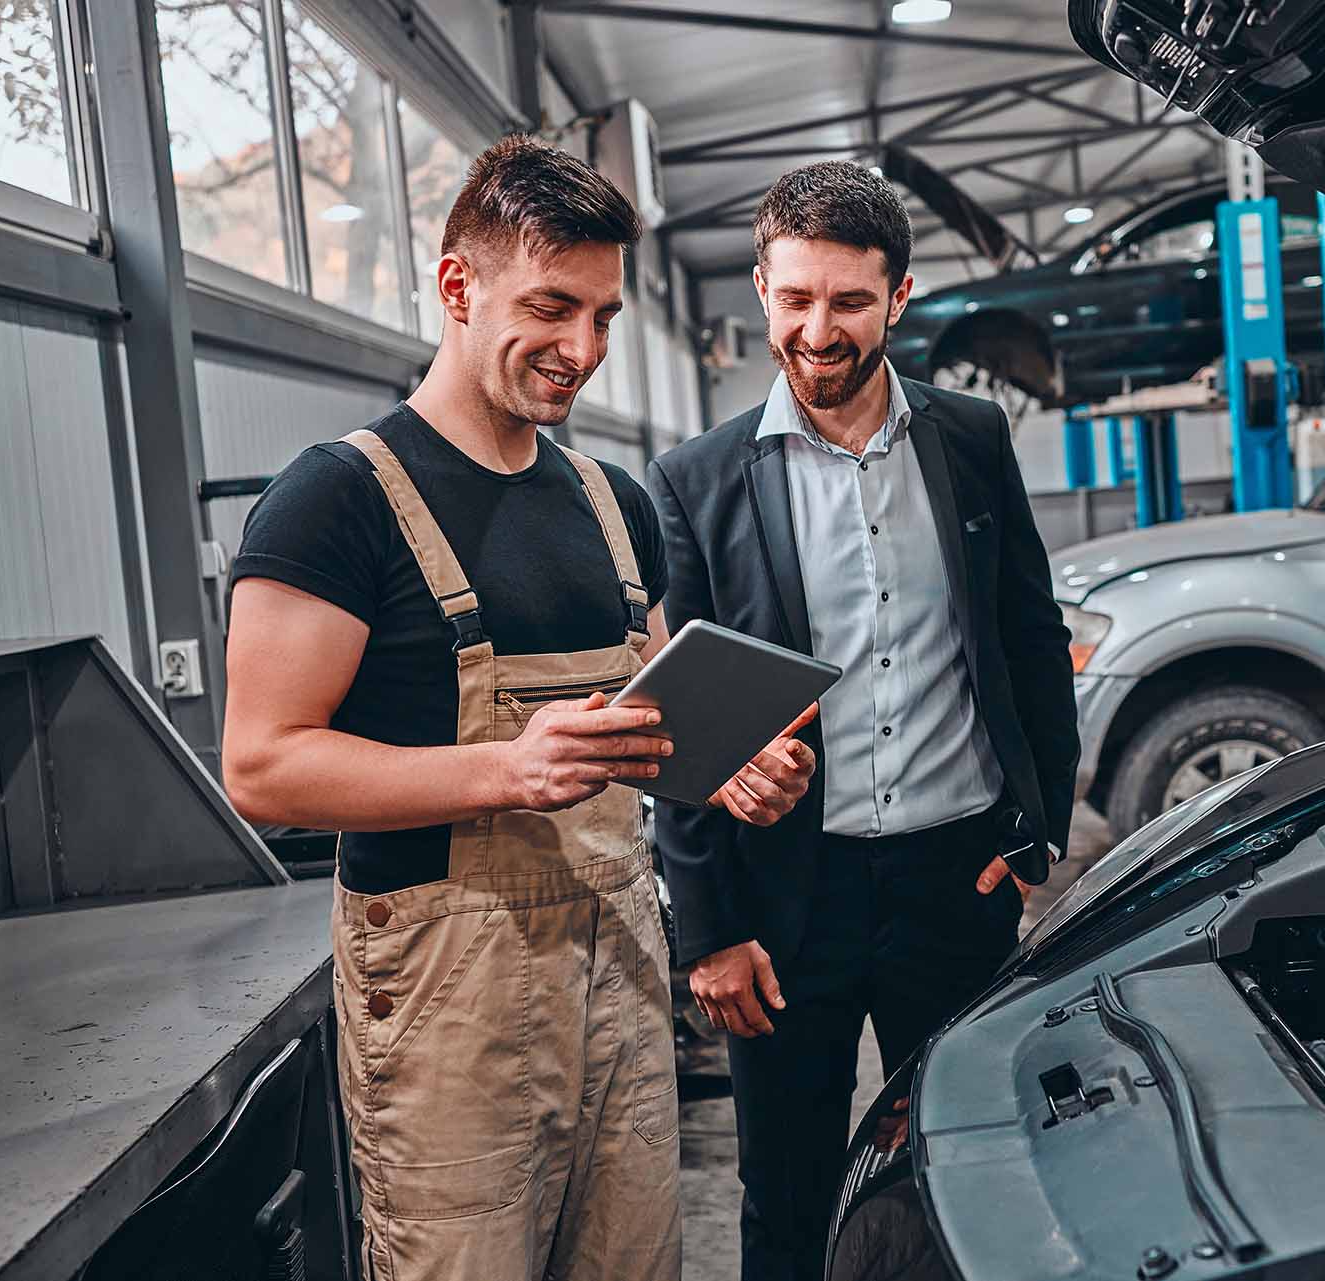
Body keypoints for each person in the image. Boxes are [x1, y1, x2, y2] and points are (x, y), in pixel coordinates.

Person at [221, 135, 816, 1281]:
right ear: (458, 284)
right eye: (552, 307)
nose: (580, 350)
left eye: (602, 317)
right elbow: (261, 766)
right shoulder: (334, 501)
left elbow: (645, 718)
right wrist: (504, 769)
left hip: (620, 973)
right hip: (451, 1006)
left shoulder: (611, 502)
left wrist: (725, 767)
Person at [646, 161, 1080, 1281]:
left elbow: (1030, 645)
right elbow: (679, 729)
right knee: (786, 1196)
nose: (818, 329)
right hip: (787, 905)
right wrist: (708, 931)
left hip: (956, 884)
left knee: (970, 1172)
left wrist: (1036, 836)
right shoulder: (696, 484)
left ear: (899, 296)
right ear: (760, 289)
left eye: (847, 300)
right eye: (795, 298)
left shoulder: (972, 440)